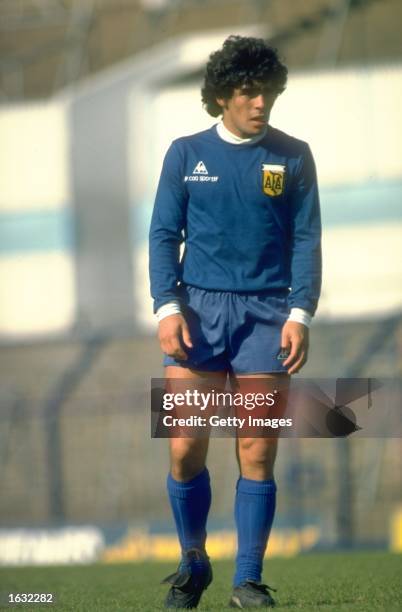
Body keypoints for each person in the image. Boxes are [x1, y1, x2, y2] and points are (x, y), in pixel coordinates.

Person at [149, 35, 321, 609]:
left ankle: (247, 580)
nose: (260, 103)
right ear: (222, 95)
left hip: (267, 316)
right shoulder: (184, 154)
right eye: (249, 92)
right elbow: (162, 236)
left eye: (268, 92)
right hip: (198, 314)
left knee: (256, 450)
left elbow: (306, 239)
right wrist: (167, 306)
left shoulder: (293, 155)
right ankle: (193, 561)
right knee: (184, 447)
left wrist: (300, 313)